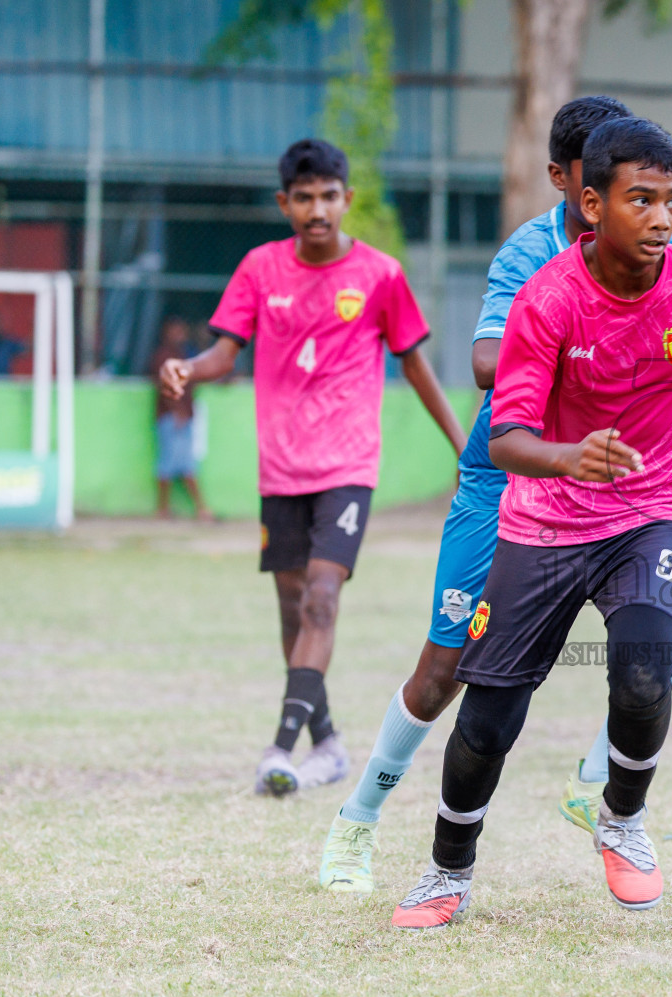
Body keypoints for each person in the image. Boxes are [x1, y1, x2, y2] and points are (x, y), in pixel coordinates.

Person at [316, 96, 672, 895]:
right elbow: (485, 365)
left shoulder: (652, 237)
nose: (656, 215)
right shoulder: (533, 259)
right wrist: (571, 349)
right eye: (622, 190)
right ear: (572, 185)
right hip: (513, 475)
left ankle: (601, 782)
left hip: (624, 484)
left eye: (666, 199)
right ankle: (358, 820)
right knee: (446, 671)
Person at [159, 138, 467, 797]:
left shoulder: (380, 275)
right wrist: (188, 369)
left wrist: (462, 445)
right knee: (292, 607)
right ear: (285, 203)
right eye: (304, 198)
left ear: (346, 199)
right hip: (281, 468)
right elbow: (223, 353)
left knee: (322, 597)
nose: (318, 209)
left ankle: (280, 747)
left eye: (329, 196)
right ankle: (327, 744)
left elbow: (415, 365)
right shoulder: (260, 269)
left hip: (347, 466)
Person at [149, 317, 213, 521]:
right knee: (172, 464)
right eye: (176, 331)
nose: (181, 335)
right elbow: (163, 387)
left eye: (182, 331)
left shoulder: (184, 355)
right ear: (166, 333)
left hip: (184, 416)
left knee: (184, 464)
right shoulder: (163, 357)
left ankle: (194, 509)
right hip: (172, 418)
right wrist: (177, 411)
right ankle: (182, 509)